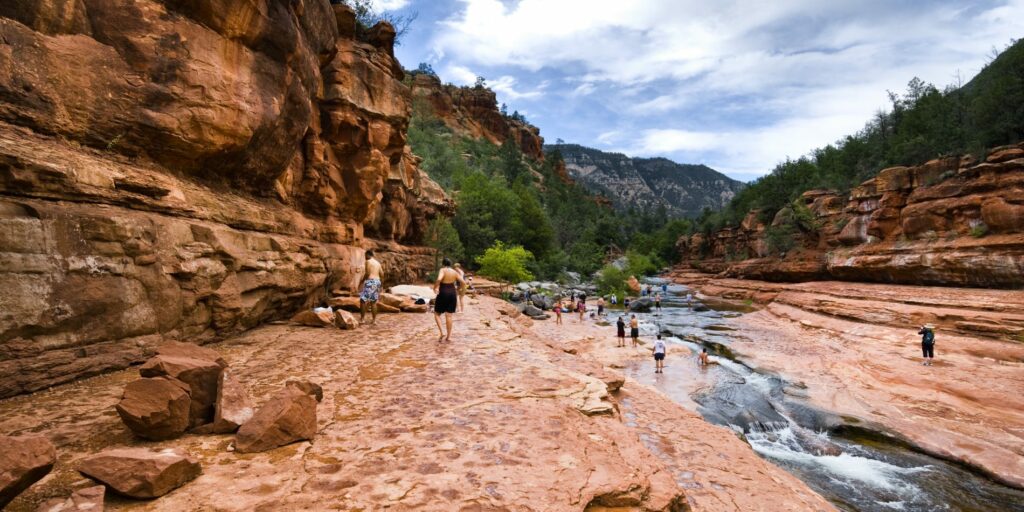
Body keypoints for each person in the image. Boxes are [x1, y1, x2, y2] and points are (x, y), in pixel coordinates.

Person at [433, 258, 466, 342]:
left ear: (443, 264)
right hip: (452, 293)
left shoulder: (443, 270)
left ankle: (442, 332)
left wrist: (435, 287)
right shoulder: (454, 272)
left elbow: (439, 279)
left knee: (437, 313)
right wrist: (460, 289)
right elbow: (463, 282)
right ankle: (449, 336)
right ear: (450, 264)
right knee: (449, 315)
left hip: (443, 292)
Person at [359, 249, 383, 325]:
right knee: (373, 302)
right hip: (377, 281)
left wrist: (361, 282)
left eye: (365, 256)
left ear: (368, 255)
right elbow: (382, 274)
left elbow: (367, 273)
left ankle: (362, 319)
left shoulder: (368, 261)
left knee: (363, 300)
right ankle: (374, 320)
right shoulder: (378, 263)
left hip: (370, 281)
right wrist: (381, 284)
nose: (365, 257)